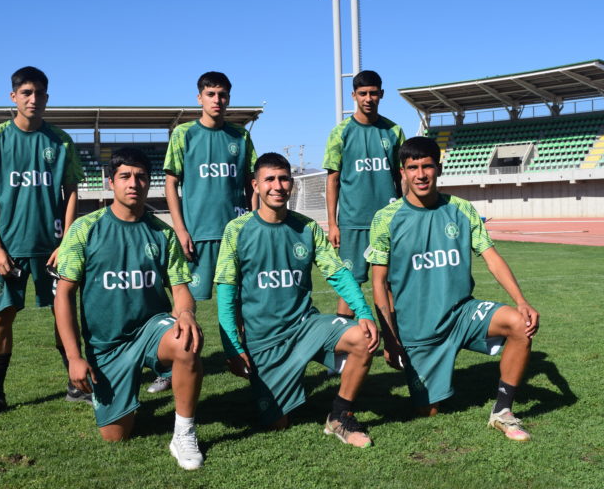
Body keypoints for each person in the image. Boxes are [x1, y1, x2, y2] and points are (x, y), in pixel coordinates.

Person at [366, 136, 539, 441]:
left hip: (462, 313)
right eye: (413, 168)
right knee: (428, 413)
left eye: (427, 166)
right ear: (402, 173)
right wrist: (391, 339)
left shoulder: (462, 209)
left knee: (519, 324)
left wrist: (520, 300)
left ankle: (502, 412)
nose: (421, 174)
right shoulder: (386, 219)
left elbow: (492, 258)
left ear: (438, 168)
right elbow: (379, 283)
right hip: (419, 329)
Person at [54, 147, 205, 470]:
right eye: (124, 176)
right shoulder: (85, 229)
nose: (133, 183)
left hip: (152, 330)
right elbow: (63, 296)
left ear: (149, 183)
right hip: (107, 347)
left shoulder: (162, 232)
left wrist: (187, 313)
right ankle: (124, 393)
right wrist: (74, 357)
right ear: (111, 183)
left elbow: (180, 289)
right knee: (115, 436)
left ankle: (184, 433)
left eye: (140, 177)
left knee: (187, 340)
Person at [214, 152, 378, 447]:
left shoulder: (307, 228)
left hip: (306, 326)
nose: (277, 186)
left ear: (292, 184)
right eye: (270, 179)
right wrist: (232, 349)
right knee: (277, 425)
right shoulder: (236, 231)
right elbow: (226, 295)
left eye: (283, 178)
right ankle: (283, 384)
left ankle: (339, 416)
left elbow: (338, 273)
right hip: (265, 341)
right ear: (255, 185)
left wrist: (363, 312)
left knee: (362, 338)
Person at [0, 66, 88, 423]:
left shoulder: (61, 141)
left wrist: (66, 241)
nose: (33, 100)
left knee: (62, 314)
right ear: (14, 97)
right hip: (9, 246)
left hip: (52, 248)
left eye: (40, 94)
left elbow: (71, 191)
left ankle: (76, 384)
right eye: (26, 93)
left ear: (47, 98)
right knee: (0, 320)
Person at [154, 71, 257, 393]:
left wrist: (252, 219)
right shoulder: (184, 134)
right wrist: (180, 228)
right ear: (199, 98)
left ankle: (247, 358)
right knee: (185, 305)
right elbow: (171, 182)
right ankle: (171, 368)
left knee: (242, 302)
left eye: (223, 94)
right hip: (197, 235)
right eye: (211, 94)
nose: (218, 100)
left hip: (234, 235)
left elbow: (252, 181)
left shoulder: (240, 136)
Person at [322, 70, 405, 332]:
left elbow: (401, 177)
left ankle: (395, 342)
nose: (368, 98)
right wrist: (333, 225)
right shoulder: (341, 133)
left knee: (390, 283)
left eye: (373, 93)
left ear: (381, 94)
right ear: (354, 96)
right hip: (353, 223)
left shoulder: (393, 131)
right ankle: (342, 348)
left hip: (388, 223)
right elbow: (333, 180)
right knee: (350, 285)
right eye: (362, 93)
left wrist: (406, 215)